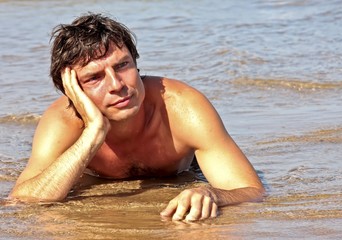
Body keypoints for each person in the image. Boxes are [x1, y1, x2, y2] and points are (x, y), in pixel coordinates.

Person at [9, 13, 264, 221]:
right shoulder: (61, 121)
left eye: (122, 66)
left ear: (136, 64)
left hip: (183, 173)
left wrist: (211, 193)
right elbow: (24, 200)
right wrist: (94, 132)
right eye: (94, 78)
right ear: (73, 91)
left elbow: (252, 191)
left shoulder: (183, 107)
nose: (116, 84)